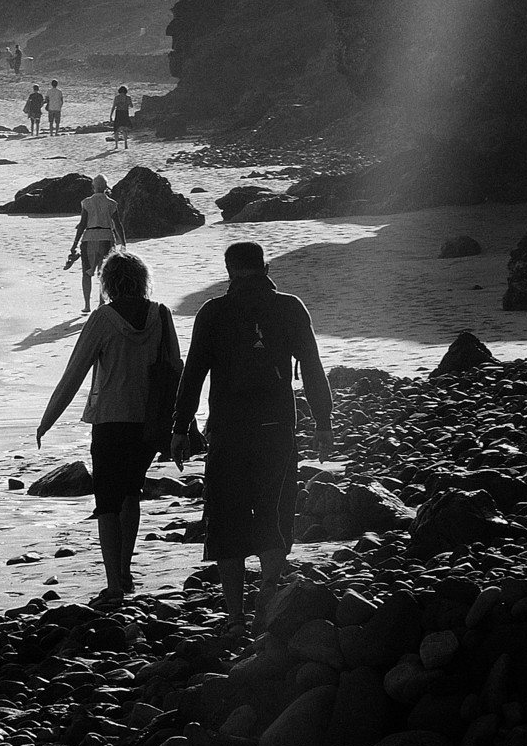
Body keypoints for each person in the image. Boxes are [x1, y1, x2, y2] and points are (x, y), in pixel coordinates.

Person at [172, 240, 333, 631]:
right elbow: (312, 368)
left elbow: (192, 373)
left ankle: (234, 614)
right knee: (275, 510)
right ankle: (269, 589)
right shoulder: (290, 308)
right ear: (263, 267)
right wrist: (323, 423)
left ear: (229, 270)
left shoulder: (213, 313)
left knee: (226, 519)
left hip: (228, 431)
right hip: (276, 429)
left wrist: (181, 427)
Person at [36, 250, 181, 605]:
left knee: (107, 502)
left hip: (110, 420)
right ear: (142, 279)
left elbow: (75, 372)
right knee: (131, 494)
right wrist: (182, 420)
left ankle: (114, 583)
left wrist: (48, 419)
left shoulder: (102, 319)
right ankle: (126, 570)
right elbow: (176, 367)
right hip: (148, 420)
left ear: (108, 281)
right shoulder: (161, 314)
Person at [66, 173, 128, 315]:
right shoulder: (111, 204)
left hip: (89, 238)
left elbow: (82, 225)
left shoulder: (86, 202)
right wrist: (123, 243)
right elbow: (118, 225)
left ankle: (87, 304)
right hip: (106, 238)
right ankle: (101, 302)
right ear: (106, 187)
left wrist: (74, 244)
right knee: (104, 273)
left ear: (93, 186)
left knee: (86, 273)